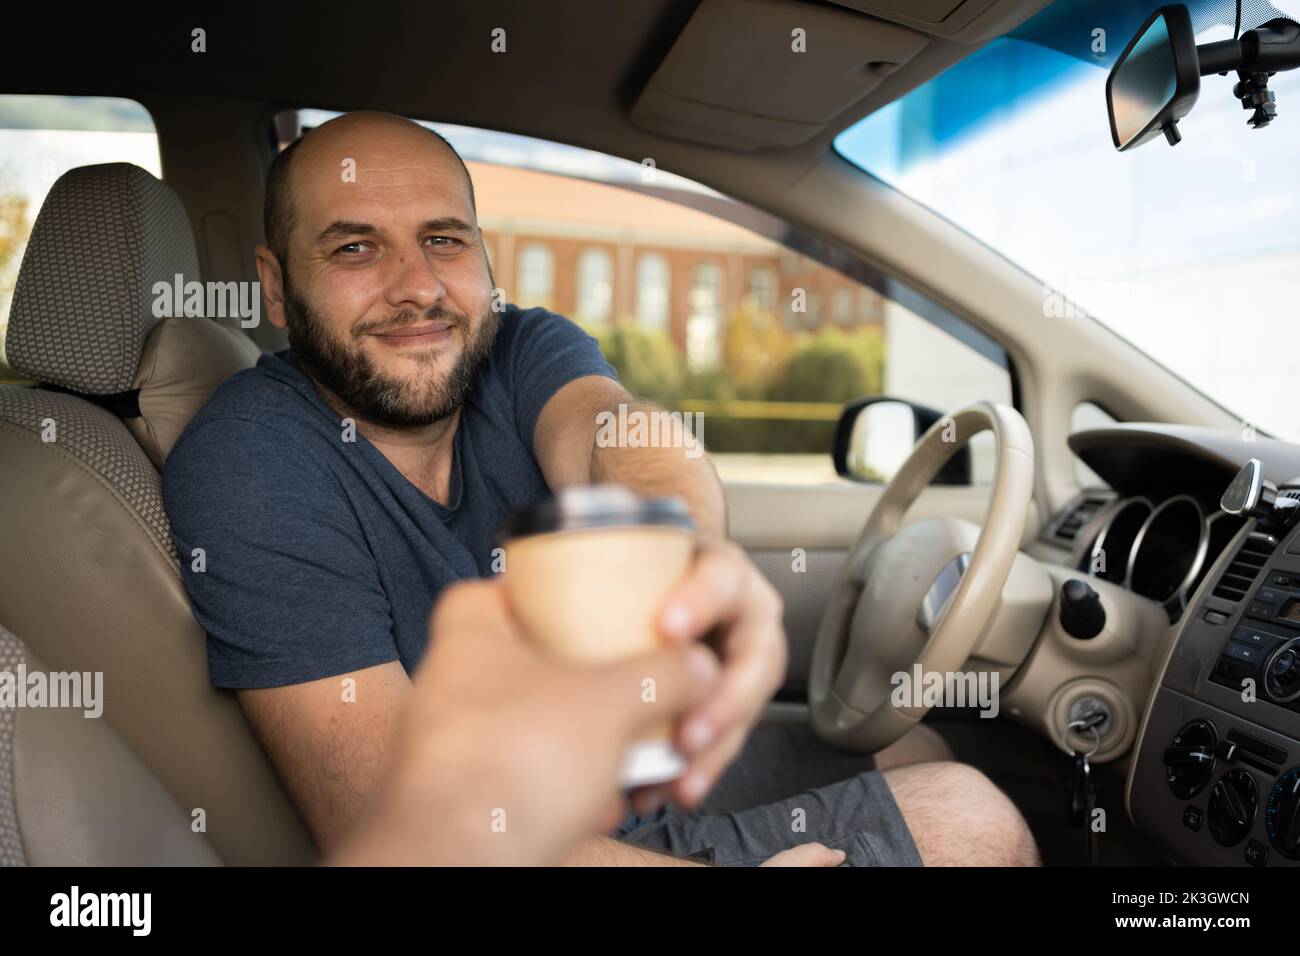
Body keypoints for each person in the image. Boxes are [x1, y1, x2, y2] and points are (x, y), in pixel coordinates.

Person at [163, 111, 1039, 866]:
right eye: (356, 246)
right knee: (973, 820)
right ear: (277, 286)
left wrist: (687, 542)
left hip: (611, 778)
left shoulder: (518, 348)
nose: (419, 287)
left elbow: (612, 432)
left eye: (443, 239)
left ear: (481, 256)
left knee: (914, 738)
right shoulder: (249, 461)